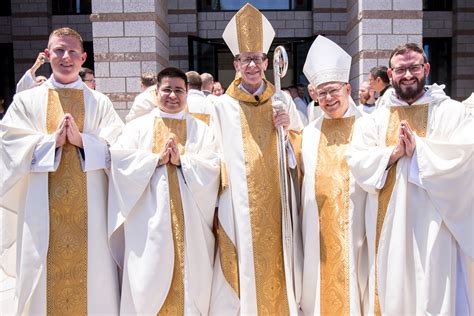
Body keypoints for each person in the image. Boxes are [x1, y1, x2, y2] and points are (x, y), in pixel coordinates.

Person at [0, 27, 123, 315]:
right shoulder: (27, 101)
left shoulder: (100, 102)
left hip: (91, 214)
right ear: (47, 54)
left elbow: (119, 148)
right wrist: (49, 144)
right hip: (40, 210)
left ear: (83, 58)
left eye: (71, 52)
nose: (65, 57)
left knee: (94, 277)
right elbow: (9, 144)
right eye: (58, 50)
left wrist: (84, 143)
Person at [346, 43, 473, 315]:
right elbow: (357, 160)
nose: (407, 75)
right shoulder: (373, 119)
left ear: (426, 69)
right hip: (388, 227)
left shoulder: (451, 112)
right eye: (400, 69)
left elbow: (465, 157)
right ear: (390, 74)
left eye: (414, 67)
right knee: (392, 289)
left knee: (433, 288)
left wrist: (420, 151)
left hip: (436, 226)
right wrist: (393, 154)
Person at [209, 4, 304, 315]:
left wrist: (287, 132)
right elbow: (215, 154)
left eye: (257, 58)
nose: (252, 64)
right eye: (245, 59)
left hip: (278, 201)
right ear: (236, 63)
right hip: (239, 203)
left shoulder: (282, 100)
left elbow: (301, 155)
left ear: (267, 61)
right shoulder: (221, 107)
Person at [108, 67, 220, 314]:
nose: (172, 95)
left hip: (190, 224)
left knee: (190, 280)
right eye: (167, 89)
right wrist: (154, 160)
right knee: (147, 279)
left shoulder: (202, 130)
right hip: (147, 224)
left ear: (187, 93)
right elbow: (119, 159)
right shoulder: (137, 127)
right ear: (156, 92)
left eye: (179, 90)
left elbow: (213, 166)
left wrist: (183, 162)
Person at [299, 35, 367, 316]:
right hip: (319, 229)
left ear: (348, 88)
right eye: (321, 93)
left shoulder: (368, 126)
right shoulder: (310, 132)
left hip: (359, 223)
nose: (328, 98)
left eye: (333, 91)